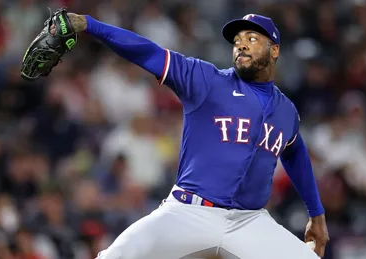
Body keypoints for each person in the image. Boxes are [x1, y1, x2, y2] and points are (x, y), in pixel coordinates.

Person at [52, 12, 329, 259]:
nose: (241, 44)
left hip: (250, 221)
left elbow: (294, 151)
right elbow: (147, 52)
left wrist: (316, 214)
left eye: (252, 38)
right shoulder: (207, 80)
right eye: (237, 40)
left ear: (275, 50)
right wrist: (90, 24)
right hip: (189, 211)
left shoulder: (286, 111)